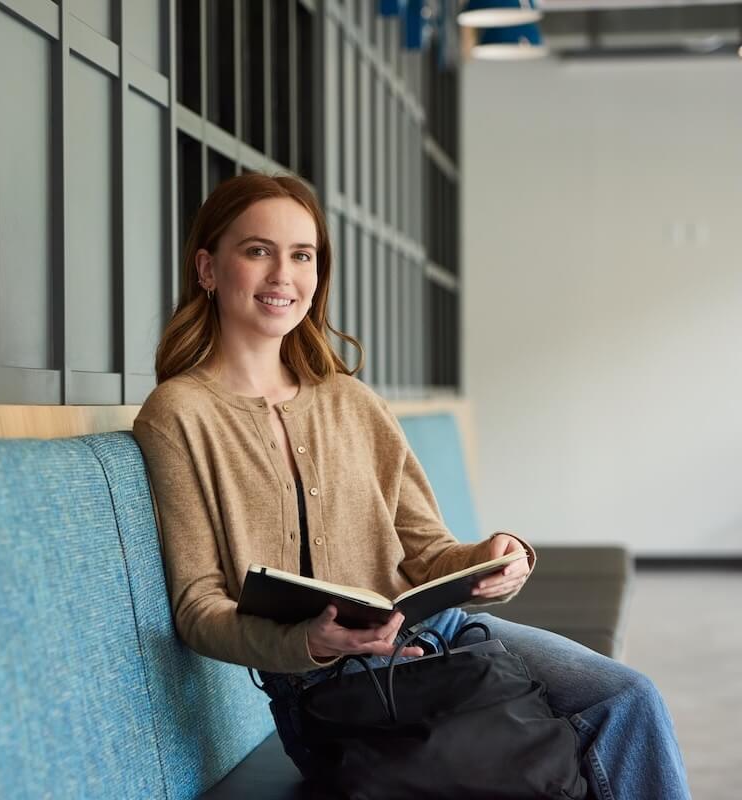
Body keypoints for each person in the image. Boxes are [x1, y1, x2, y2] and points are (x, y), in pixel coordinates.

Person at [132, 173, 690, 799]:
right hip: (327, 686)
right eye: (257, 250)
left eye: (302, 255)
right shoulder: (178, 414)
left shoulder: (352, 401)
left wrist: (489, 558)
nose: (282, 275)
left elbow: (427, 551)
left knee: (628, 699)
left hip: (442, 635)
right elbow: (198, 608)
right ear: (207, 267)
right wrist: (308, 641)